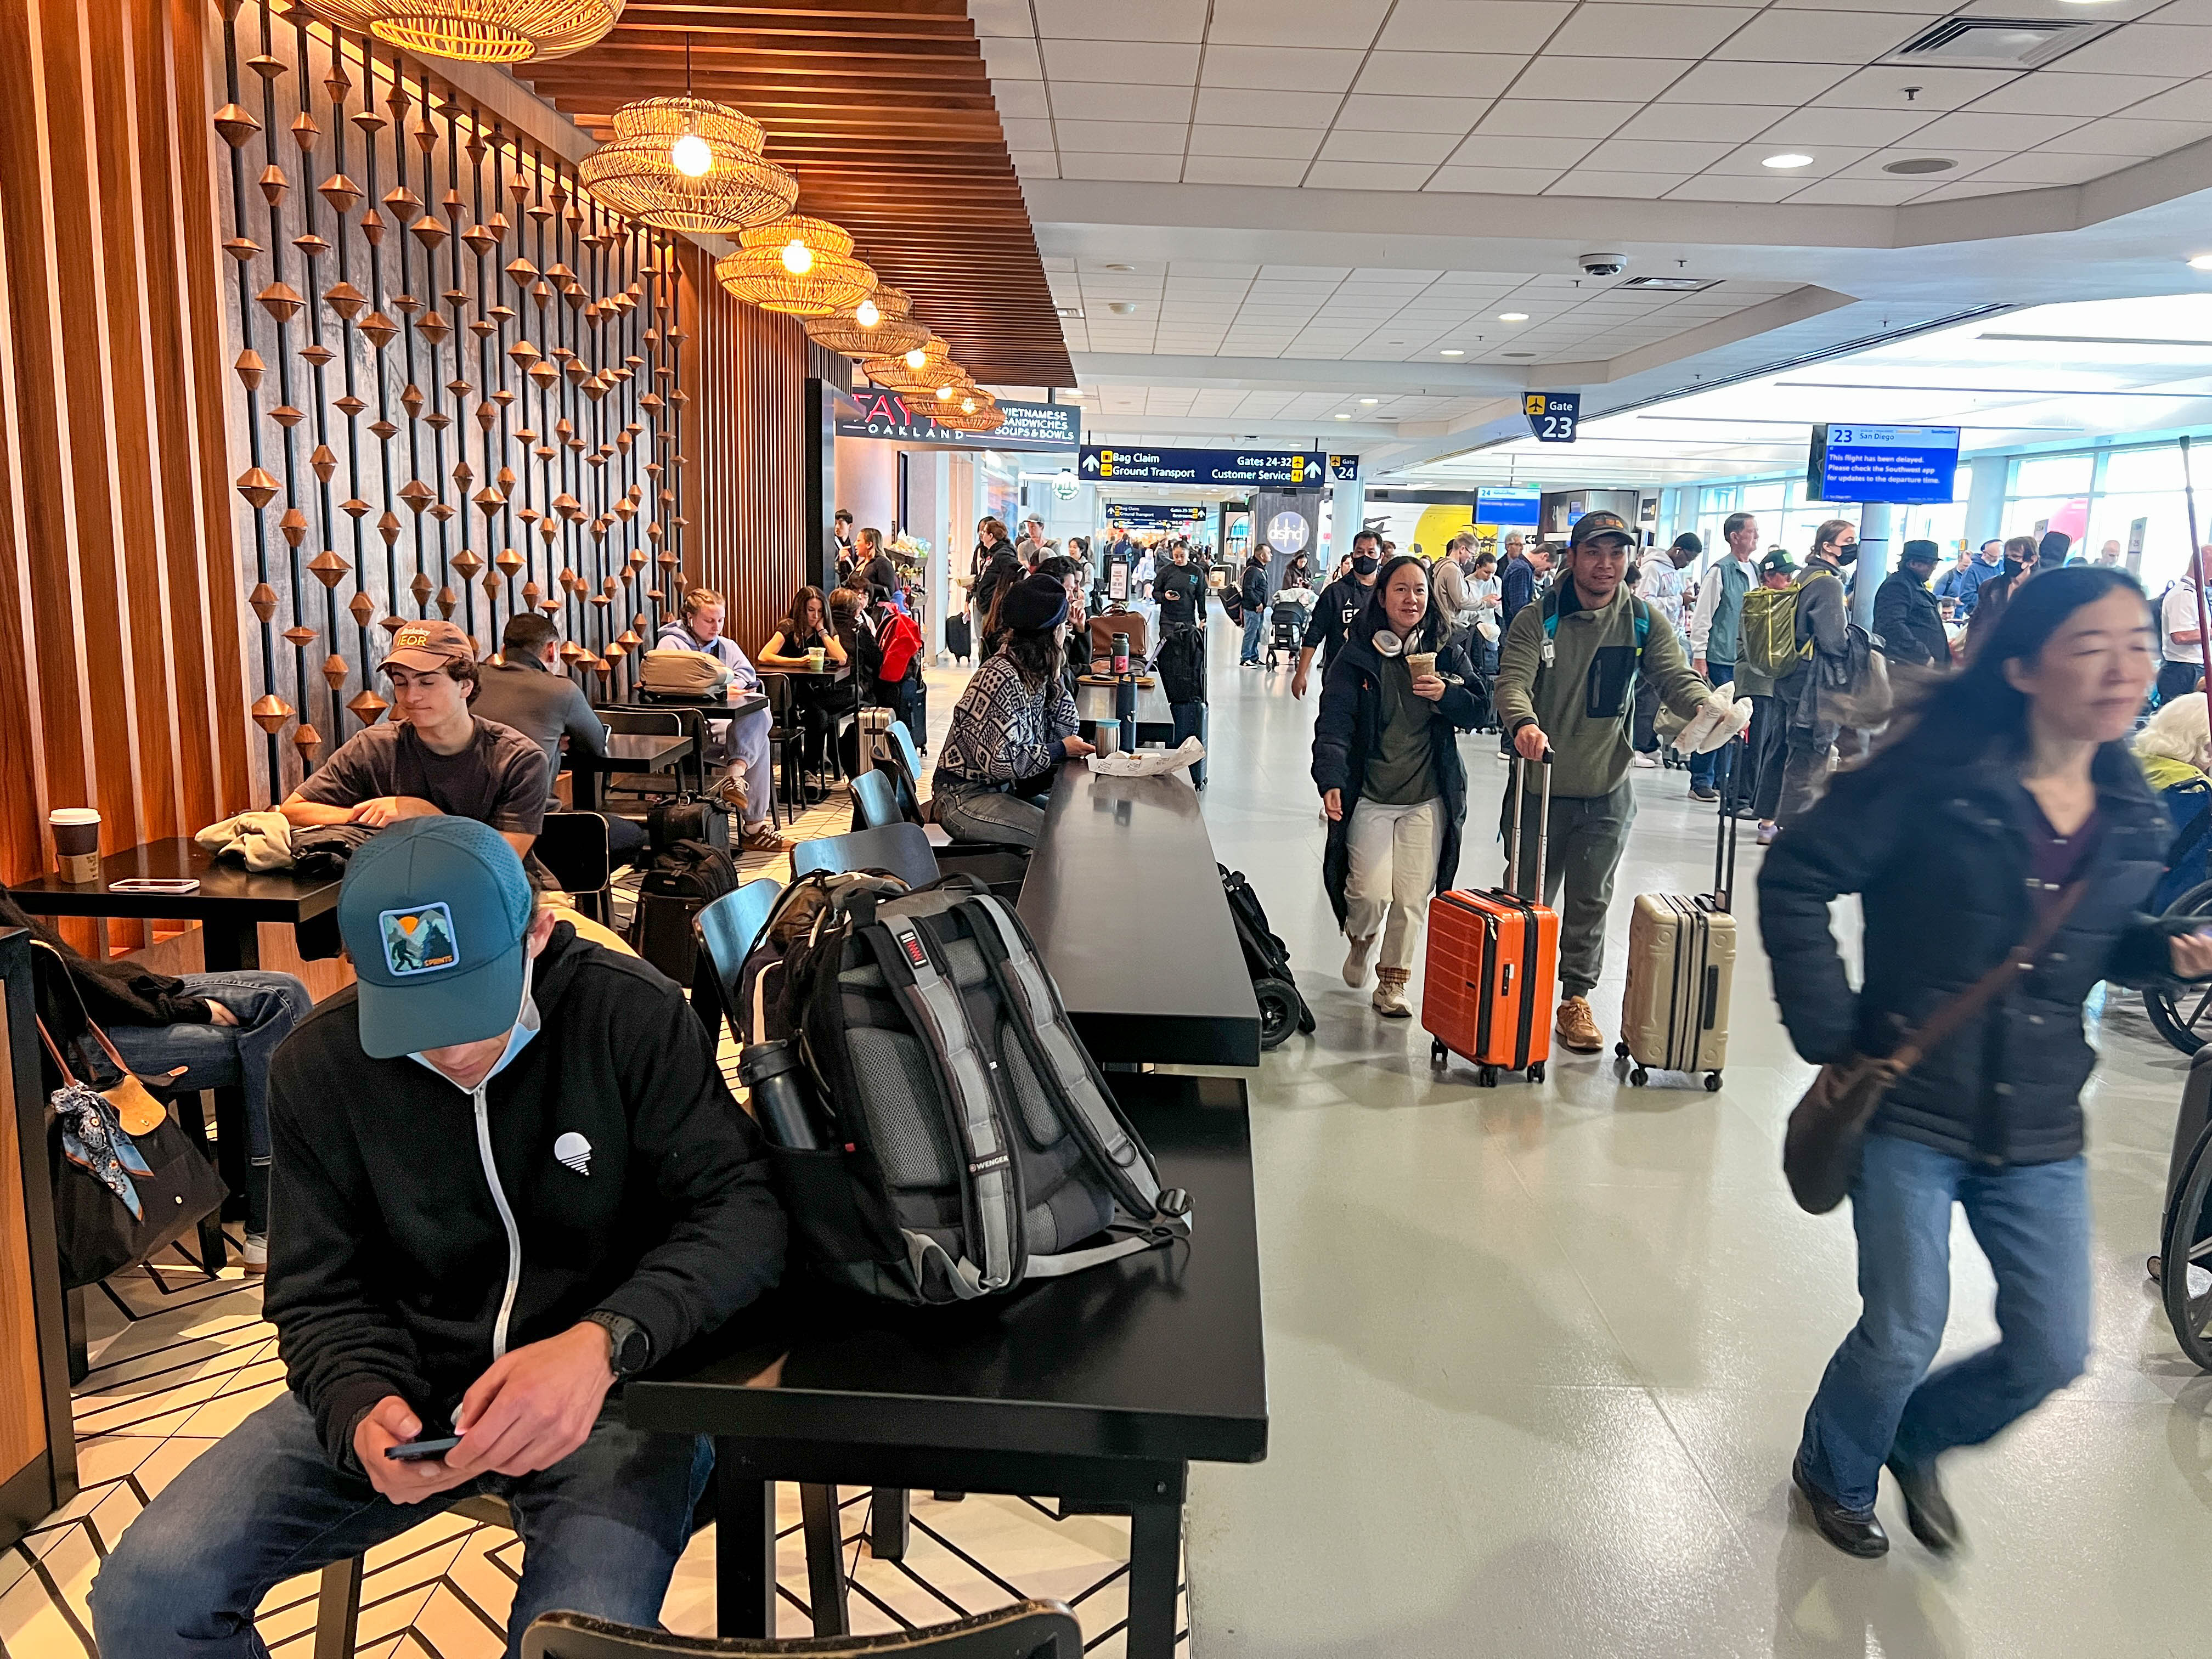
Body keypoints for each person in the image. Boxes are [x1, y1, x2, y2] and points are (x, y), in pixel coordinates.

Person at [89, 818, 788, 1659]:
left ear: (539, 930)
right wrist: (356, 1407)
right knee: (147, 1597)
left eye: (473, 1002)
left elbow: (742, 1211)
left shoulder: (627, 1011)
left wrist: (604, 1342)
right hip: (415, 1386)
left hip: (614, 1398)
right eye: (417, 1014)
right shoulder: (317, 1066)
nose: (451, 1046)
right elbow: (319, 1293)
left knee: (569, 1643)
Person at [1759, 565, 2210, 1560]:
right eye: (2091, 646)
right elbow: (1797, 871)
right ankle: (1835, 1463)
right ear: (2020, 666)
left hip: (2039, 1117)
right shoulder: (1936, 779)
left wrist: (2154, 949)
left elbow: (2084, 942)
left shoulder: (2131, 809)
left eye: (2138, 642)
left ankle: (1917, 1433)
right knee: (1903, 1326)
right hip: (1911, 1102)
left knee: (2053, 1346)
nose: (2126, 668)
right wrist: (1832, 1031)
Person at [1494, 511, 1726, 1054]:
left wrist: (1708, 710)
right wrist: (1524, 724)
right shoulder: (1540, 619)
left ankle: (1575, 999)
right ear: (1572, 558)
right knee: (1527, 898)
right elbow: (1513, 681)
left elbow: (1674, 676)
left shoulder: (1642, 620)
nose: (1606, 564)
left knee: (1592, 899)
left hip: (1607, 786)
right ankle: (1519, 996)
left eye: (1617, 554)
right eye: (1594, 552)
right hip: (1540, 788)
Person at [5, 887, 308, 1274]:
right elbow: (67, 986)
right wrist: (186, 1009)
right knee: (277, 1032)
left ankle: (278, 1221)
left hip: (100, 1000)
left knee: (285, 995)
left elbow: (73, 974)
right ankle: (276, 1225)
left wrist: (154, 992)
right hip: (71, 1041)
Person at [1311, 556, 1489, 1018]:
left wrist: (1447, 694)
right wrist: (1330, 779)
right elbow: (1333, 724)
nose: (1412, 600)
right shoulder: (1357, 656)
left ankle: (1392, 982)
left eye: (1420, 591)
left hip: (1427, 795)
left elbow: (1479, 708)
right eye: (1401, 590)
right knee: (1369, 893)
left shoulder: (1447, 649)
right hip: (1370, 794)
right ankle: (1362, 937)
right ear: (1383, 597)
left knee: (1411, 897)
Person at [283, 620, 552, 877]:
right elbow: (293, 810)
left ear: (465, 685)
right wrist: (374, 815)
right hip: (400, 893)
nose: (411, 697)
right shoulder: (373, 747)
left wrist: (423, 814)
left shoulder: (518, 759)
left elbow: (500, 863)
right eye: (401, 683)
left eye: (427, 682)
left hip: (505, 898)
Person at [933, 573, 1094, 846]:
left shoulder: (1031, 671)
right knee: (1053, 837)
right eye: (1063, 626)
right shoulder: (1001, 677)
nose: (1066, 632)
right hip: (963, 796)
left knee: (1073, 821)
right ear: (1050, 634)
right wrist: (1061, 749)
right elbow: (1003, 761)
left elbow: (1065, 729)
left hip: (1001, 790)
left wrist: (1056, 678)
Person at [654, 590, 789, 853]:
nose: (716, 627)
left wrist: (732, 683)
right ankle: (753, 828)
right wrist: (721, 689)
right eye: (709, 621)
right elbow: (676, 683)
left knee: (759, 712)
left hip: (728, 727)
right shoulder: (671, 645)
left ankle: (735, 774)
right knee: (757, 742)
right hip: (691, 728)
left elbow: (747, 677)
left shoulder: (727, 646)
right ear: (690, 618)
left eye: (721, 620)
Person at [1771, 520, 1858, 827]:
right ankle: (1795, 824)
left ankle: (1776, 819)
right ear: (1827, 546)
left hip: (1791, 674)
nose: (1853, 545)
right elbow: (1834, 640)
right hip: (1813, 679)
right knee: (1811, 751)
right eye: (1847, 540)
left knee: (1792, 747)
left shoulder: (1806, 576)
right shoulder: (1829, 583)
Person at [1686, 511, 1762, 805]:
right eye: (1751, 532)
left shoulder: (1755, 570)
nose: (1756, 537)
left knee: (1737, 723)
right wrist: (1700, 655)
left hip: (1744, 661)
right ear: (1734, 536)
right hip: (1720, 657)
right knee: (1713, 718)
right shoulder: (1720, 572)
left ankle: (1723, 778)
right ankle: (1701, 779)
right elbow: (1703, 616)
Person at [760, 585, 854, 781]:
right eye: (811, 611)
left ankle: (807, 770)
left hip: (815, 691)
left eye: (820, 611)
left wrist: (822, 632)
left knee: (826, 711)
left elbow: (842, 658)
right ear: (801, 609)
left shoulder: (826, 629)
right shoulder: (788, 627)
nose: (815, 616)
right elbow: (764, 655)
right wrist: (797, 662)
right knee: (819, 716)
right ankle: (808, 771)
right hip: (790, 693)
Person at [1740, 548, 1799, 845]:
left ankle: (1759, 809)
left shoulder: (1777, 601)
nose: (1790, 581)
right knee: (1760, 746)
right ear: (1768, 576)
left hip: (1774, 685)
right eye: (1785, 575)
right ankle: (1750, 802)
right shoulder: (1761, 604)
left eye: (1792, 575)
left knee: (1770, 746)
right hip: (1758, 684)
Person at [1293, 529, 1384, 698]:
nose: (1365, 557)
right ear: (1353, 555)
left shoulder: (1386, 593)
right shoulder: (1335, 592)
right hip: (1338, 675)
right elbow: (1315, 632)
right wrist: (1301, 673)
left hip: (1376, 678)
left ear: (1381, 557)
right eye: (1360, 552)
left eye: (1371, 552)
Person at [1874, 539, 1951, 670]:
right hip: (1911, 668)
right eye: (1931, 563)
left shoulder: (1915, 586)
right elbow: (1891, 625)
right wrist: (1922, 655)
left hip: (1924, 669)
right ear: (1913, 563)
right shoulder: (1898, 586)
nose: (1934, 567)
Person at [1963, 535, 2041, 658]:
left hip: (2023, 658)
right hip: (1988, 656)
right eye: (2006, 556)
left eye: (2015, 556)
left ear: (2032, 560)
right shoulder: (1990, 586)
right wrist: (1969, 656)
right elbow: (1977, 624)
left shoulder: (2041, 590)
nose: (2009, 560)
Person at [2158, 543, 2211, 705]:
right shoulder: (2184, 595)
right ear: (2201, 564)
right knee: (2177, 723)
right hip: (2184, 671)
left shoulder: (2195, 594)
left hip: (2191, 668)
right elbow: (2180, 636)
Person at [971, 518, 1023, 655]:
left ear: (991, 536)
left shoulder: (1003, 554)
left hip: (992, 604)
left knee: (989, 641)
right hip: (985, 602)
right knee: (983, 640)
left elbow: (1016, 569)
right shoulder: (991, 553)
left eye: (984, 532)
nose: (981, 535)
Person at [1156, 540, 1206, 634]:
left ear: (1188, 554)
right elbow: (1155, 592)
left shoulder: (1197, 572)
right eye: (1176, 556)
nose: (1179, 559)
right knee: (1168, 647)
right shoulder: (1165, 571)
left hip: (1188, 619)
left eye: (1182, 556)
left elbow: (1200, 596)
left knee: (1187, 647)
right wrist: (1164, 596)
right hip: (1167, 619)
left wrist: (1203, 619)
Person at [1238, 545, 1271, 667]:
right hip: (1252, 609)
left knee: (1257, 633)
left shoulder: (1261, 570)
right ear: (1262, 556)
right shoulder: (1253, 571)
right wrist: (1257, 603)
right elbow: (1248, 589)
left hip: (1259, 609)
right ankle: (1245, 658)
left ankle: (1254, 656)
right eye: (1269, 553)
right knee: (1251, 633)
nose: (1271, 555)